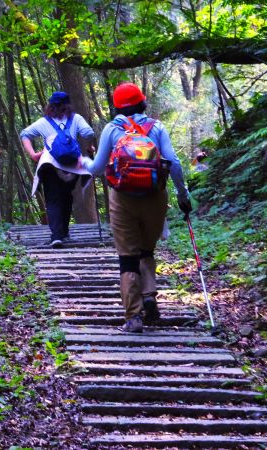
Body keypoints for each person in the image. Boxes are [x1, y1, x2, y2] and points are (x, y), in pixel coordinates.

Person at [81, 82, 192, 332]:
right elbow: (173, 163)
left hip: (122, 199)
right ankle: (150, 295)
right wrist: (182, 194)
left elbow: (97, 169)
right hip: (155, 196)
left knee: (128, 257)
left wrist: (84, 160)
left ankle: (133, 316)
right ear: (143, 102)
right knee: (146, 250)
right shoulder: (157, 127)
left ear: (117, 107)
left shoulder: (112, 129)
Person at [20, 91, 94, 248]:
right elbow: (88, 132)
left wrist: (33, 154)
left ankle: (56, 236)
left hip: (49, 163)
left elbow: (24, 134)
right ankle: (64, 231)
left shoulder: (43, 122)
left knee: (53, 199)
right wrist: (89, 147)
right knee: (67, 197)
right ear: (68, 105)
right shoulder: (76, 119)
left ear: (50, 106)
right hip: (72, 165)